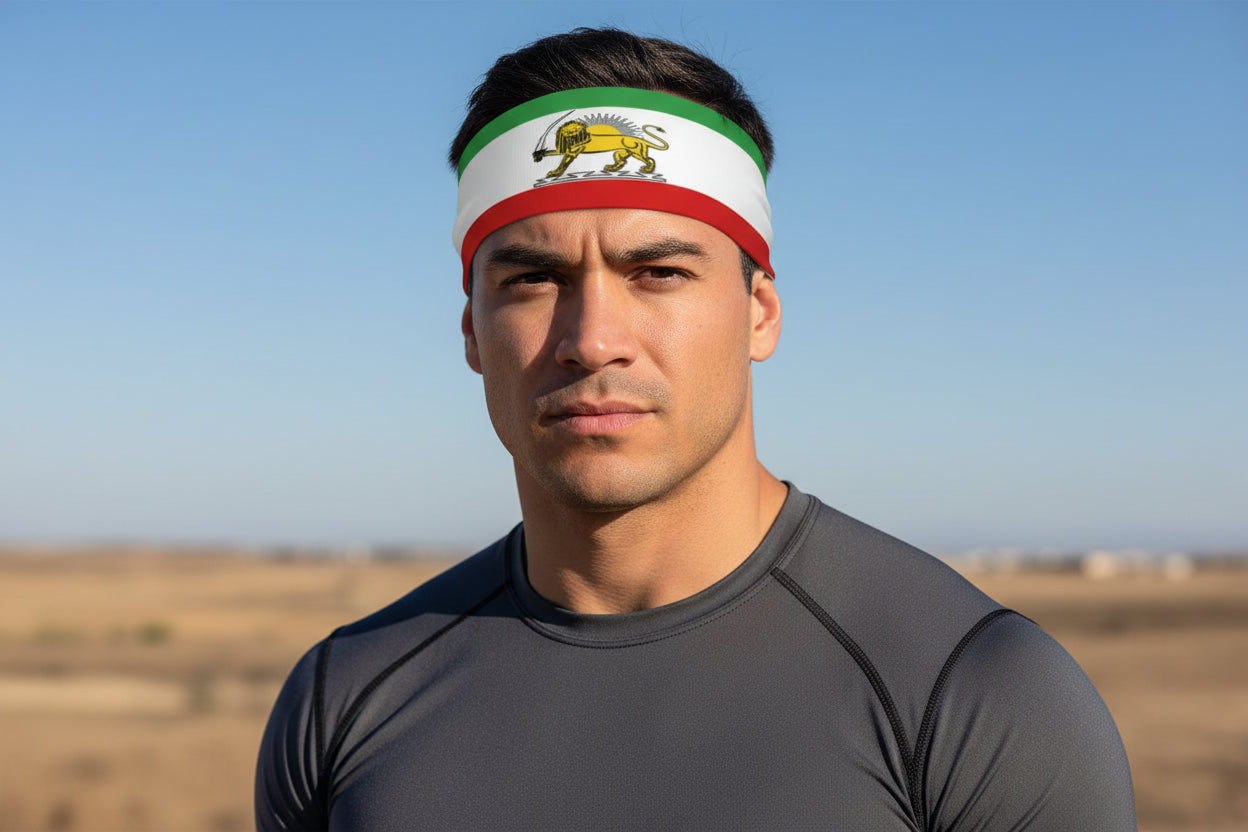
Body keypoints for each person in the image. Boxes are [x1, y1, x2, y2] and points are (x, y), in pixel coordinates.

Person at [256, 28, 1135, 831]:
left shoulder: (975, 696)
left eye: (659, 272)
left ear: (760, 314)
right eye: (532, 279)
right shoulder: (343, 700)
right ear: (470, 332)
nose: (593, 338)